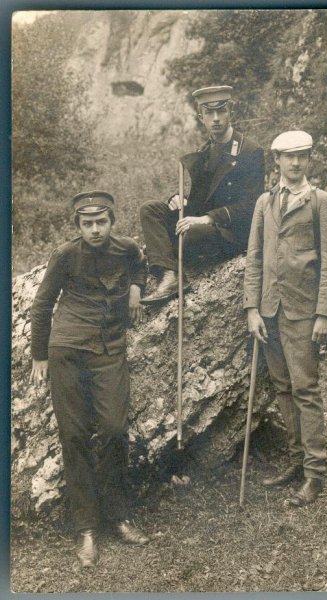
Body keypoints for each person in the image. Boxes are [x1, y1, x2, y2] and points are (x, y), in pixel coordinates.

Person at [30, 191, 150, 568]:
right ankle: (86, 529)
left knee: (114, 429)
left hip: (110, 349)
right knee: (75, 434)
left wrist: (135, 289)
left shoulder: (126, 247)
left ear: (112, 221)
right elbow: (42, 303)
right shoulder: (65, 255)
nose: (95, 230)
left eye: (102, 222)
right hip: (67, 351)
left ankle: (119, 516)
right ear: (78, 226)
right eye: (87, 224)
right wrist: (39, 354)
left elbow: (139, 265)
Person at [244, 131, 327, 507]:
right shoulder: (265, 202)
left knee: (306, 389)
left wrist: (325, 314)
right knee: (283, 388)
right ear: (277, 162)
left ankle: (314, 473)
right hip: (270, 312)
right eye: (288, 157)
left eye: (302, 156)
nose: (295, 163)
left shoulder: (323, 202)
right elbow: (254, 257)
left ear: (309, 159)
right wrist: (252, 308)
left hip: (305, 312)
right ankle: (295, 459)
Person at [140, 85, 265, 305]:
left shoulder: (250, 151)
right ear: (201, 117)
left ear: (230, 112)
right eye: (209, 113)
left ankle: (162, 253)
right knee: (150, 210)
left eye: (221, 111)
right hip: (204, 223)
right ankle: (170, 276)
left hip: (230, 233)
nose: (216, 118)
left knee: (192, 234)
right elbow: (200, 201)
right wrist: (178, 200)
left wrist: (209, 218)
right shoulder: (205, 150)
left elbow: (252, 205)